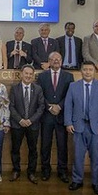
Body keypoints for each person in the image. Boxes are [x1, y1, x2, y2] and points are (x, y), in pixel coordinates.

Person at [64, 61, 98, 195]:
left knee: (96, 157)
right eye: (85, 69)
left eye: (90, 69)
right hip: (78, 126)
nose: (88, 72)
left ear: (94, 71)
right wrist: (68, 123)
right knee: (78, 156)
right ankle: (77, 180)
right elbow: (68, 105)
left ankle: (96, 182)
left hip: (96, 128)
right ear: (81, 71)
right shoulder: (73, 86)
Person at [36, 52, 74, 182]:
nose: (56, 61)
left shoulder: (69, 76)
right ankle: (45, 170)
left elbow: (70, 95)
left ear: (62, 61)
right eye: (53, 59)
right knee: (45, 145)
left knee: (62, 145)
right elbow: (39, 95)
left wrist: (59, 106)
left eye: (58, 59)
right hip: (46, 116)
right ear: (49, 61)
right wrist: (49, 107)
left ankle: (62, 171)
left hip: (61, 116)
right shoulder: (42, 76)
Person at [8, 65, 44, 184]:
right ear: (21, 74)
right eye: (26, 73)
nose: (28, 76)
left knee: (33, 149)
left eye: (30, 74)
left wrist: (31, 120)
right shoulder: (14, 88)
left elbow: (41, 107)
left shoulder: (38, 89)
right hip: (17, 124)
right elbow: (11, 106)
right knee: (15, 149)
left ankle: (31, 172)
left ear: (33, 76)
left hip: (32, 125)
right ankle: (16, 170)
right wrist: (20, 120)